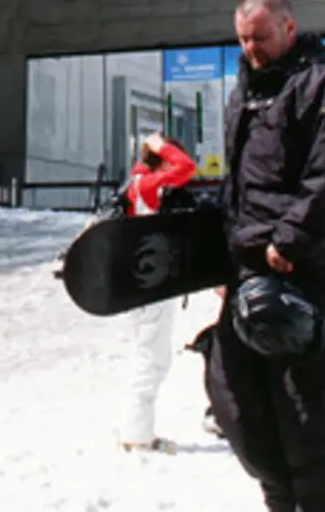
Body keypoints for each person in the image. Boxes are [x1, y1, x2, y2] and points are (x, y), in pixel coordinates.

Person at [206, 0, 325, 512]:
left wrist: (289, 241)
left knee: (307, 419)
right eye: (243, 39)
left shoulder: (323, 85)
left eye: (261, 37)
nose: (251, 48)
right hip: (247, 271)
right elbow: (241, 184)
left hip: (301, 275)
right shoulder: (246, 93)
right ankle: (282, 501)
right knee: (237, 405)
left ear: (289, 28)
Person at [118, 131, 201, 451]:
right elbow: (187, 167)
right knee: (151, 359)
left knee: (149, 356)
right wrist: (158, 144)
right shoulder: (147, 186)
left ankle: (136, 430)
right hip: (149, 287)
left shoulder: (137, 185)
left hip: (145, 283)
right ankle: (137, 435)